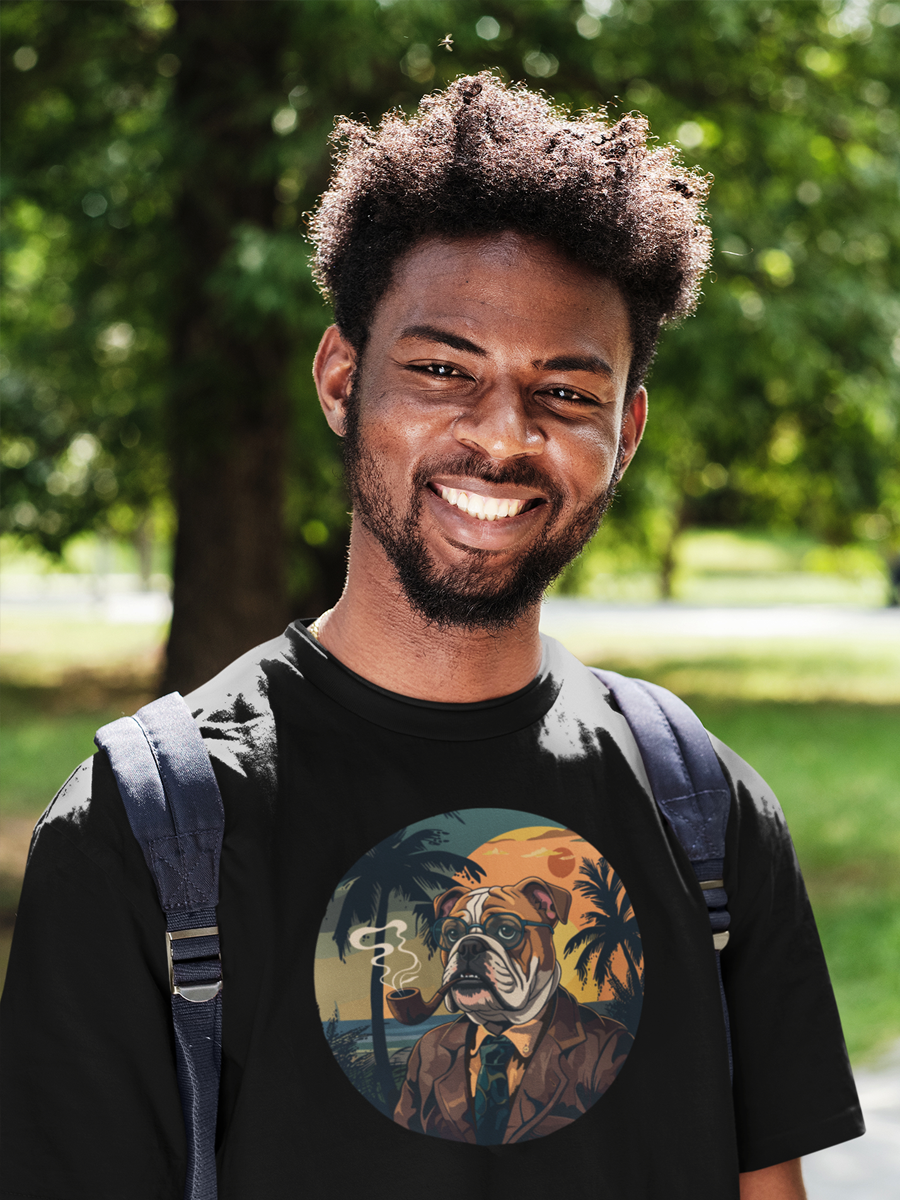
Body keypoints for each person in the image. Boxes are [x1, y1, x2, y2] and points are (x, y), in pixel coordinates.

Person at [0, 74, 863, 1200]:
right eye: (444, 370)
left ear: (627, 429)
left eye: (563, 390)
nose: (502, 435)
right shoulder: (150, 828)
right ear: (342, 377)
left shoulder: (704, 810)